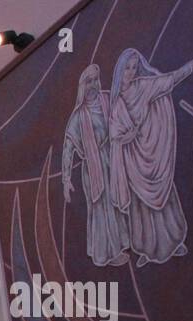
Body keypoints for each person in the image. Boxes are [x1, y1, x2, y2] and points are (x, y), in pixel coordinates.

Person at [107, 47, 193, 266]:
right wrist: (127, 137)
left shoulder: (144, 86)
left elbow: (168, 81)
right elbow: (115, 136)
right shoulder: (116, 104)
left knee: (165, 197)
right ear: (120, 71)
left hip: (152, 153)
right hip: (133, 160)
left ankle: (174, 242)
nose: (131, 73)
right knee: (140, 207)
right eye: (127, 69)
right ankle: (146, 250)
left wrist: (191, 65)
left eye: (134, 68)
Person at [63, 64, 129, 267]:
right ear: (83, 86)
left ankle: (123, 241)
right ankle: (107, 253)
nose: (93, 85)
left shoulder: (107, 99)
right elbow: (68, 148)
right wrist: (66, 179)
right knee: (103, 207)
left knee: (117, 201)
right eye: (88, 81)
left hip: (114, 158)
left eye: (95, 80)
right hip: (94, 169)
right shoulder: (77, 117)